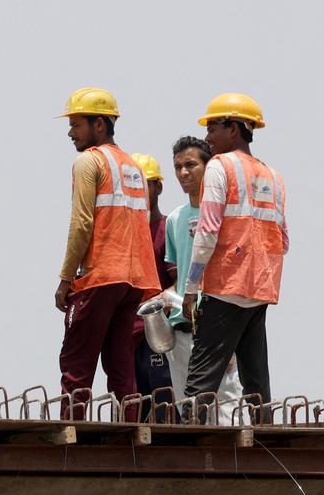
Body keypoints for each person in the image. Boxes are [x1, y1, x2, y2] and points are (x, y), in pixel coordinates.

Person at [54, 88, 159, 421]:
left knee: (76, 363)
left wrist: (66, 278)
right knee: (120, 364)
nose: (71, 132)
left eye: (76, 124)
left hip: (100, 276)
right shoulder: (134, 168)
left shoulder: (89, 161)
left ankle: (70, 431)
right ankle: (131, 429)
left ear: (99, 124)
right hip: (133, 280)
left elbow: (82, 224)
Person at [183, 94, 288, 424]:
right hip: (260, 286)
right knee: (255, 379)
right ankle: (264, 436)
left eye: (214, 127)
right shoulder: (273, 175)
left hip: (225, 284)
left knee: (201, 377)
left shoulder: (219, 166)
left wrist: (190, 287)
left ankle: (185, 446)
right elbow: (283, 240)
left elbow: (209, 231)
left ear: (236, 128)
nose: (208, 136)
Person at [163, 136, 242, 419]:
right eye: (178, 166)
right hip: (182, 325)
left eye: (191, 165)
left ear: (209, 167)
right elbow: (178, 274)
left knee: (226, 401)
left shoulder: (226, 214)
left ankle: (235, 463)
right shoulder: (174, 219)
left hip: (217, 322)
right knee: (188, 404)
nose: (183, 173)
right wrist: (165, 296)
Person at [129, 153, 176, 422]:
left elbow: (178, 281)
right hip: (128, 333)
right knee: (132, 402)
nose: (139, 192)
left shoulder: (167, 227)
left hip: (158, 334)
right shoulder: (126, 234)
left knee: (163, 400)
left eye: (145, 184)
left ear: (158, 186)